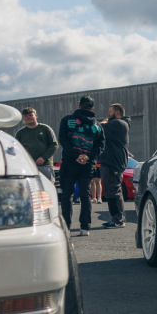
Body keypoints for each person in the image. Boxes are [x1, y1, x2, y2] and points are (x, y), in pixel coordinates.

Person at [58, 95, 105, 236]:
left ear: (79, 105)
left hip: (69, 163)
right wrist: (87, 156)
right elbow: (101, 145)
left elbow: (63, 140)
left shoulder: (67, 120)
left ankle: (66, 227)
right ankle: (85, 227)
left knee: (67, 195)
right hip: (87, 164)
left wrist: (76, 155)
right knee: (85, 195)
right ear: (92, 108)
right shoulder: (97, 126)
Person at [99, 103, 131, 228]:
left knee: (114, 192)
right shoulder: (118, 124)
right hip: (110, 162)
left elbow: (99, 126)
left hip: (113, 163)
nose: (108, 114)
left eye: (110, 111)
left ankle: (118, 220)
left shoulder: (119, 124)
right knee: (111, 191)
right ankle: (116, 219)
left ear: (117, 112)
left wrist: (104, 121)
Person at [14, 107, 58, 182]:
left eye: (30, 115)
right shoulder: (20, 133)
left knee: (47, 189)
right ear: (23, 118)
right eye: (26, 116)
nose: (28, 117)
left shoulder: (45, 129)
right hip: (28, 166)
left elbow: (54, 145)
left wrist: (43, 158)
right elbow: (17, 149)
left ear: (36, 116)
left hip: (45, 165)